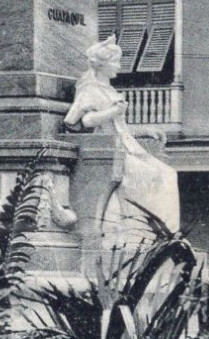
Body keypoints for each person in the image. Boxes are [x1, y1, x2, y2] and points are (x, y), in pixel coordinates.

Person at [64, 36, 180, 240]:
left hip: (127, 146)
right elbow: (85, 121)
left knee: (170, 174)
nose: (118, 66)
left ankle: (170, 233)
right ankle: (146, 228)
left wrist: (145, 130)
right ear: (102, 65)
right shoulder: (90, 90)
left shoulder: (110, 90)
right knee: (152, 176)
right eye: (115, 62)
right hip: (109, 149)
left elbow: (122, 128)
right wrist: (112, 111)